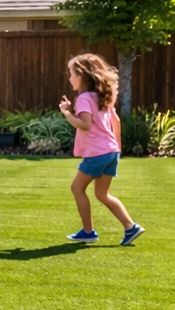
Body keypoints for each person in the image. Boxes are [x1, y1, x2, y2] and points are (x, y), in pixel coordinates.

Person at [61, 53, 144, 246]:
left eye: (72, 74)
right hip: (111, 152)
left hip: (97, 153)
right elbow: (115, 122)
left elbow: (85, 124)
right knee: (102, 194)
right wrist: (117, 148)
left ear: (83, 75)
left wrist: (66, 113)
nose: (69, 78)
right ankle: (130, 227)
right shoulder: (103, 98)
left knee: (77, 188)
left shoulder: (83, 98)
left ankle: (88, 232)